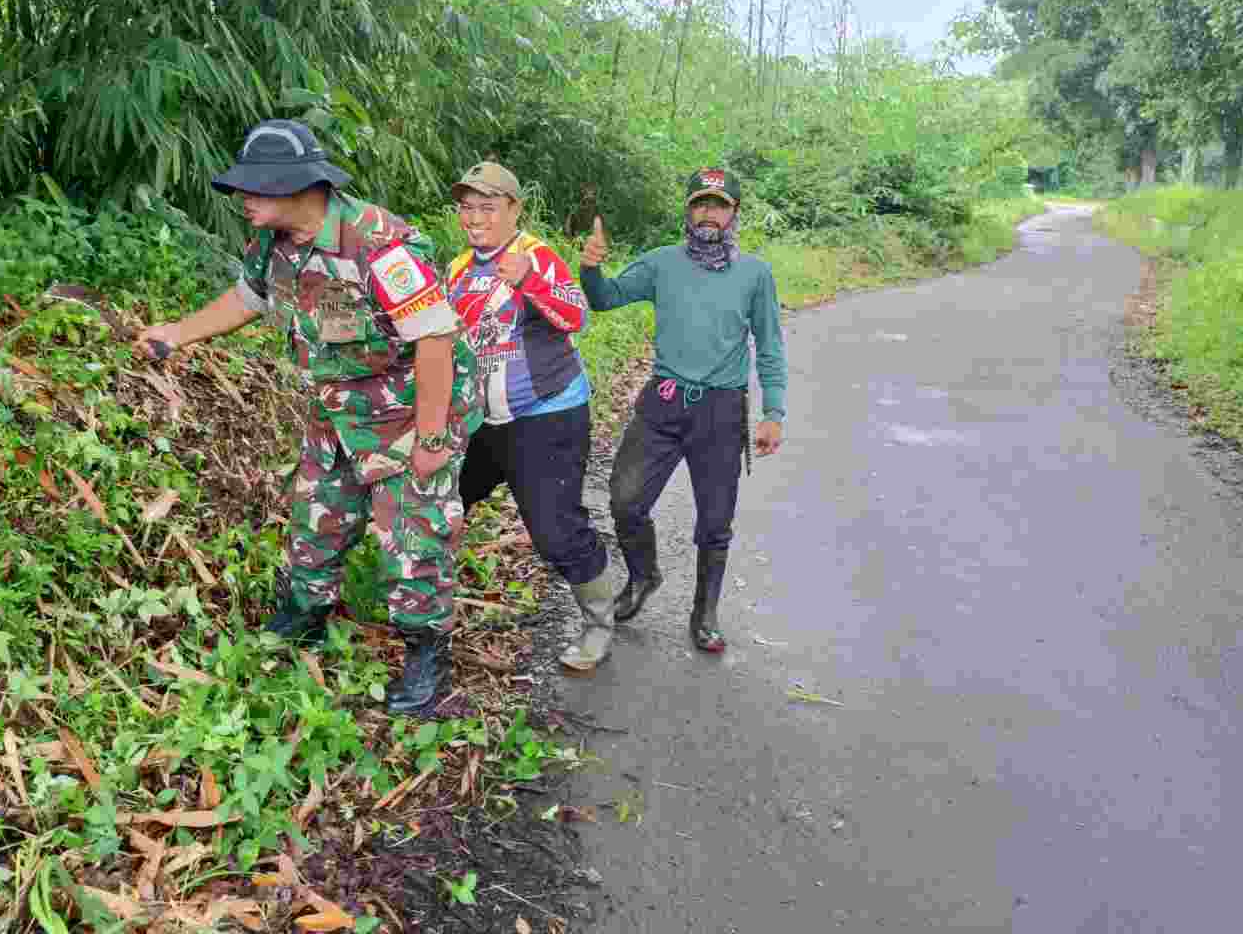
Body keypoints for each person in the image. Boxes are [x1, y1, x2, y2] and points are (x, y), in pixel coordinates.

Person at [138, 120, 482, 716]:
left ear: (303, 187)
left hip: (407, 412)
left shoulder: (380, 244)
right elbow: (247, 298)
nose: (244, 198)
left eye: (257, 188)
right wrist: (177, 333)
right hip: (337, 410)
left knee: (412, 539)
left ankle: (427, 651)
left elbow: (434, 341)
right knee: (315, 521)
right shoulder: (273, 243)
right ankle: (306, 616)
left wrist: (431, 437)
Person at [579, 168, 787, 653]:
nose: (708, 213)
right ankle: (643, 575)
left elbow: (771, 345)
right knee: (626, 502)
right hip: (664, 404)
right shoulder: (661, 264)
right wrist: (590, 269)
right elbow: (606, 299)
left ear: (734, 213)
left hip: (720, 412)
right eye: (700, 204)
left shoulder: (755, 274)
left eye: (719, 205)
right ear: (688, 212)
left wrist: (773, 411)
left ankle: (705, 612)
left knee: (715, 523)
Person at [444, 163, 617, 673]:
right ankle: (428, 608)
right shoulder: (457, 268)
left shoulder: (535, 256)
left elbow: (576, 316)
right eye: (467, 207)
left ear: (513, 210)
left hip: (547, 415)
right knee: (439, 502)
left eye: (487, 207)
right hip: (481, 419)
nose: (475, 218)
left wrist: (532, 282)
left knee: (555, 530)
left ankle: (599, 624)